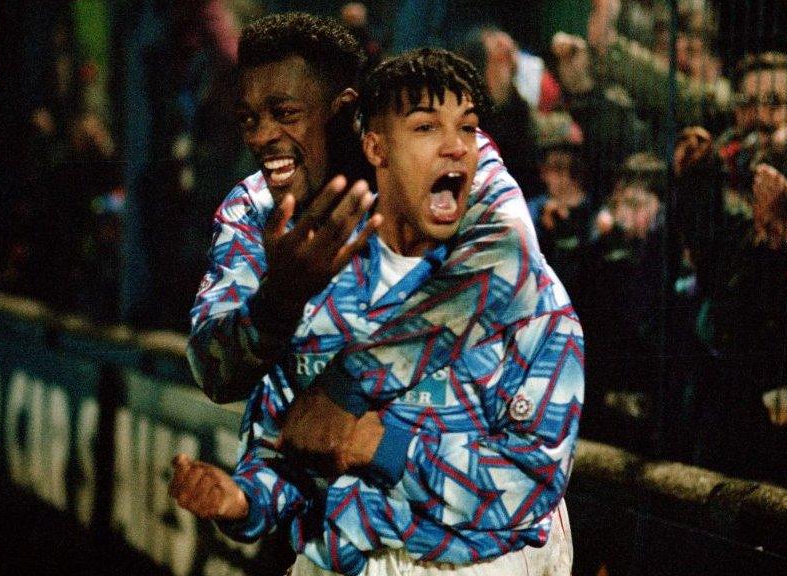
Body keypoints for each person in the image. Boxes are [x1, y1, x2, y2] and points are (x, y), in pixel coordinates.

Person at [172, 45, 583, 576]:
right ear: (374, 145)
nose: (262, 137)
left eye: (467, 128)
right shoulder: (289, 246)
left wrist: (376, 438)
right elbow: (287, 435)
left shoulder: (526, 292)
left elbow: (528, 489)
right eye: (426, 128)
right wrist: (244, 500)